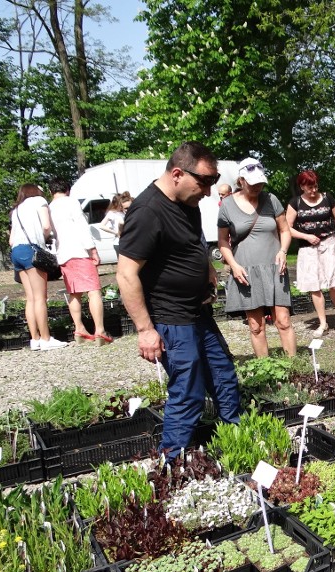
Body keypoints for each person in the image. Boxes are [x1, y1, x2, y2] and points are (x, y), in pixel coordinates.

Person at [116, 141, 240, 456]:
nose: (209, 191)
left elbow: (191, 244)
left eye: (213, 182)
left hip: (199, 313)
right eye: (204, 182)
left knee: (224, 376)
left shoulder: (188, 202)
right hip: (171, 318)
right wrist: (145, 330)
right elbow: (126, 274)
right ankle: (173, 463)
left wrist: (207, 268)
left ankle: (236, 445)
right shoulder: (147, 212)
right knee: (188, 391)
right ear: (176, 174)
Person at [217, 157, 296, 357]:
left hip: (275, 268)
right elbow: (223, 242)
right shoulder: (227, 206)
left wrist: (283, 251)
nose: (257, 186)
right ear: (241, 181)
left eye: (260, 182)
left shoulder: (271, 200)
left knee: (283, 321)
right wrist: (233, 265)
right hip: (246, 271)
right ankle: (266, 370)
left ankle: (294, 368)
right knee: (256, 326)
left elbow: (285, 230)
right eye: (253, 183)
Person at [285, 170, 335, 337]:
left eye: (315, 186)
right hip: (307, 249)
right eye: (309, 187)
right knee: (314, 286)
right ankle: (323, 323)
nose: (313, 190)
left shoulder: (327, 198)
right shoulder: (295, 203)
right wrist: (306, 236)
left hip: (328, 244)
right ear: (301, 186)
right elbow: (286, 228)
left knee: (334, 282)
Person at [48, 178, 112, 346]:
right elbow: (82, 227)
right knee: (93, 291)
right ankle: (100, 331)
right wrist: (92, 249)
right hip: (79, 251)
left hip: (63, 254)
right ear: (68, 190)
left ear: (51, 192)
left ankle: (79, 329)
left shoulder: (49, 208)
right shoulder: (71, 203)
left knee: (74, 293)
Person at [8, 183, 68, 351]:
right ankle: (46, 339)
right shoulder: (39, 201)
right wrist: (42, 239)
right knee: (41, 297)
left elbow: (11, 240)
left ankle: (34, 339)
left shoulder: (16, 210)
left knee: (31, 298)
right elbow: (46, 226)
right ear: (36, 192)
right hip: (31, 250)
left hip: (16, 251)